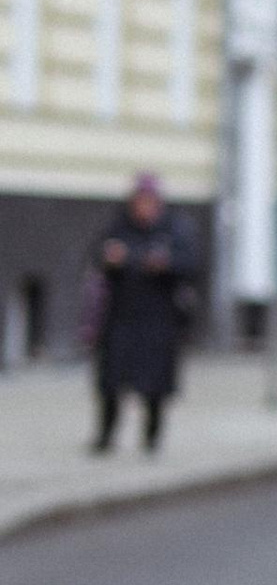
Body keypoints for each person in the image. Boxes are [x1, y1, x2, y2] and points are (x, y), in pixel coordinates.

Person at [84, 175, 200, 454]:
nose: (144, 207)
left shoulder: (174, 229)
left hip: (158, 321)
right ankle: (106, 436)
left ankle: (151, 438)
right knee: (111, 381)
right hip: (121, 317)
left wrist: (165, 264)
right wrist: (110, 258)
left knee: (154, 386)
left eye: (149, 202)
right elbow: (97, 255)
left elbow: (191, 266)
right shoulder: (120, 227)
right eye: (140, 201)